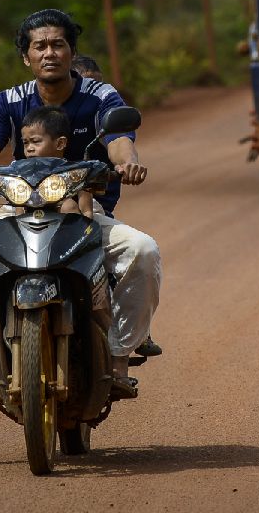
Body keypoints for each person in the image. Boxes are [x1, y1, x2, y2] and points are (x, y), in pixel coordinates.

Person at [0, 9, 160, 412]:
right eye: (40, 46)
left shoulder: (100, 97)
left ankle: (118, 361)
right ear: (26, 57)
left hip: (81, 212)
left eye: (58, 44)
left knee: (144, 251)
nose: (50, 52)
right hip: (17, 211)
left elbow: (119, 138)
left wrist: (127, 162)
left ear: (71, 51)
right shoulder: (9, 101)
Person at [70, 54, 164, 362]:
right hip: (47, 204)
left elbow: (120, 143)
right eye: (87, 83)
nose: (93, 89)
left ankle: (128, 336)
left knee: (126, 258)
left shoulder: (105, 114)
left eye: (96, 83)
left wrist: (127, 164)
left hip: (95, 206)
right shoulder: (50, 124)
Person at [17, 104, 96, 218]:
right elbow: (18, 208)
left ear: (60, 143)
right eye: (26, 143)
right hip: (28, 216)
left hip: (72, 221)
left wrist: (87, 223)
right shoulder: (20, 170)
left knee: (68, 206)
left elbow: (87, 211)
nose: (29, 148)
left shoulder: (75, 171)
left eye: (36, 141)